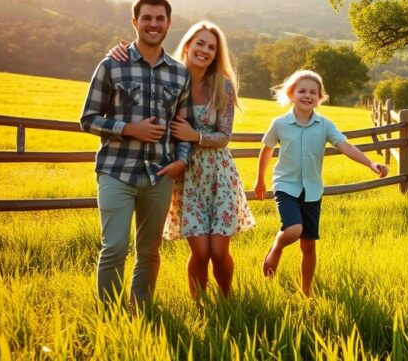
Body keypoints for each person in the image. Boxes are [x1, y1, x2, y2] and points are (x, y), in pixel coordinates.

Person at [109, 21, 255, 300]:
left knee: (219, 251)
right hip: (185, 176)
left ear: (216, 54)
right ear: (187, 45)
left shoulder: (222, 85)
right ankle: (199, 304)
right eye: (200, 43)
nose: (205, 51)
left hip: (218, 173)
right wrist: (115, 52)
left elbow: (224, 136)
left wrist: (194, 135)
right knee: (200, 251)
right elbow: (139, 65)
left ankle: (227, 301)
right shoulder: (171, 77)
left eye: (212, 47)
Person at [80, 0, 192, 308]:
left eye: (160, 19)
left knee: (149, 251)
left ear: (169, 23)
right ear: (135, 22)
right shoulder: (111, 66)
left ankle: (140, 310)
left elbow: (183, 127)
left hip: (159, 175)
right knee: (114, 247)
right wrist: (131, 129)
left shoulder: (179, 73)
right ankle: (109, 315)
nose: (153, 24)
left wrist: (181, 162)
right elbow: (88, 119)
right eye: (147, 18)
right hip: (117, 171)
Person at [254, 69, 388, 297]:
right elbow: (266, 150)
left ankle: (306, 291)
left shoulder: (325, 125)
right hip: (286, 185)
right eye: (302, 91)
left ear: (320, 97)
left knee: (308, 245)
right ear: (291, 93)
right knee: (294, 230)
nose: (307, 95)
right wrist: (260, 181)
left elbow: (345, 146)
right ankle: (277, 246)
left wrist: (370, 163)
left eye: (313, 92)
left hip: (313, 190)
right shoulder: (280, 123)